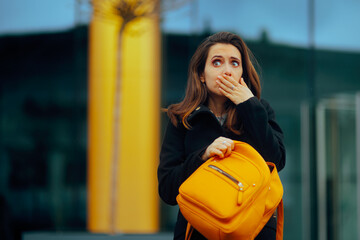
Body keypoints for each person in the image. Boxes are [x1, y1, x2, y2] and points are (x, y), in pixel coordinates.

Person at [157, 32, 286, 240]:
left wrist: (249, 105)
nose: (227, 71)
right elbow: (167, 190)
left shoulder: (260, 110)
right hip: (198, 232)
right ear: (201, 74)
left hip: (252, 232)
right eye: (217, 62)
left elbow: (276, 160)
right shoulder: (182, 119)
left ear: (242, 73)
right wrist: (203, 156)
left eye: (235, 63)